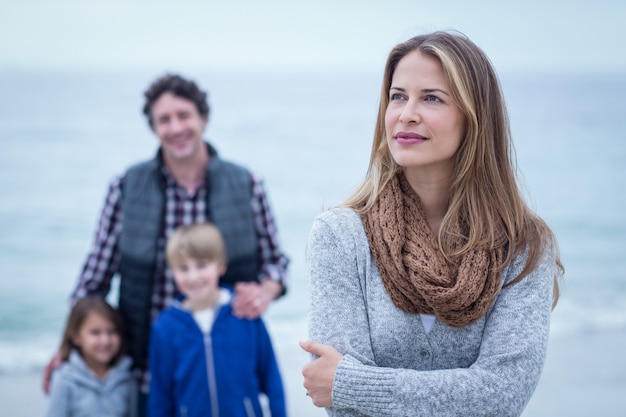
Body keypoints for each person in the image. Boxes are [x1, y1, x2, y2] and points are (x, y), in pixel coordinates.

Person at [299, 30, 564, 416]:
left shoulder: (523, 245)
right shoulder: (340, 237)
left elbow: (502, 396)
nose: (406, 114)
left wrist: (351, 383)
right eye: (398, 96)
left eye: (432, 98)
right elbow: (343, 411)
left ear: (474, 117)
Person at [43, 73, 289, 416]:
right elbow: (95, 275)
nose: (176, 128)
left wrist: (265, 291)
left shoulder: (246, 184)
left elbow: (276, 263)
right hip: (146, 366)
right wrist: (68, 344)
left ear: (203, 118)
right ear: (154, 127)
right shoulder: (126, 187)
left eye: (184, 116)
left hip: (225, 364)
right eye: (164, 120)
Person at [149, 223, 287, 417]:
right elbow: (160, 396)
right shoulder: (165, 327)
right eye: (183, 268)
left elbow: (271, 379)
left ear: (221, 265)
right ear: (172, 272)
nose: (193, 276)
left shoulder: (245, 314)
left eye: (202, 265)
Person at [45, 295, 137, 417]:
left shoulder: (126, 377)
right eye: (95, 333)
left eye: (111, 331)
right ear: (76, 337)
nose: (105, 340)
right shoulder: (64, 379)